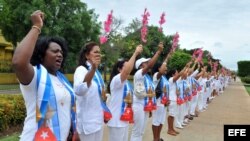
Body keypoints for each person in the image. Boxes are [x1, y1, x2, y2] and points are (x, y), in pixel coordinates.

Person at [12, 10, 78, 141]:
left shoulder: (62, 79)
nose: (60, 54)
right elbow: (18, 63)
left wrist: (72, 130)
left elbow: (65, 109)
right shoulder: (35, 76)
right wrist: (37, 26)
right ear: (41, 55)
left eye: (61, 52)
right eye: (55, 51)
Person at [73, 42, 111, 141]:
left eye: (99, 52)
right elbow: (79, 90)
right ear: (87, 55)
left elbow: (99, 93)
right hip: (87, 122)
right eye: (95, 52)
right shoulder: (81, 70)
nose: (99, 54)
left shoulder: (98, 73)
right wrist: (93, 68)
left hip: (98, 120)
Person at [107, 45, 143, 141]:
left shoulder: (126, 83)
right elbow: (126, 72)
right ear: (119, 69)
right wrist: (135, 53)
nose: (130, 67)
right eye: (126, 66)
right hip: (116, 122)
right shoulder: (116, 79)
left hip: (123, 119)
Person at [130, 42, 163, 141]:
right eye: (146, 62)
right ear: (141, 66)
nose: (149, 64)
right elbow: (149, 66)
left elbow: (149, 93)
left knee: (141, 131)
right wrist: (158, 52)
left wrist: (149, 108)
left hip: (144, 106)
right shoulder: (139, 73)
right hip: (138, 105)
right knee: (137, 131)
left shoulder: (147, 77)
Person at [151, 52, 172, 141]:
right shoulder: (157, 76)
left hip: (164, 103)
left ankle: (158, 137)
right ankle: (155, 139)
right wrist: (166, 58)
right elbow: (161, 71)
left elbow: (167, 91)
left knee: (161, 121)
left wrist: (168, 99)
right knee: (156, 121)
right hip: (158, 102)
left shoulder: (164, 78)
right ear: (159, 68)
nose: (166, 68)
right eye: (164, 67)